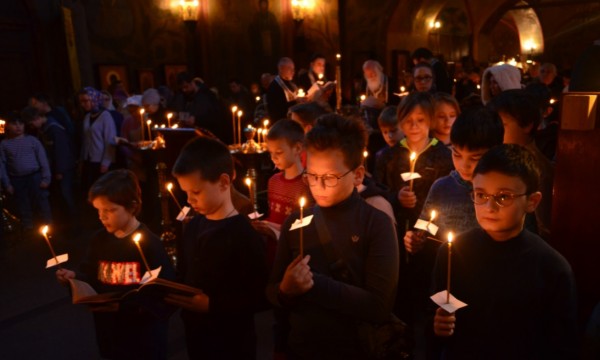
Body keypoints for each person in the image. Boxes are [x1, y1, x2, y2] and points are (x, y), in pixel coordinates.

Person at [266, 114, 399, 359]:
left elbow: (379, 306)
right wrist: (285, 290)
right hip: (302, 349)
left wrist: (312, 284)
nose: (318, 187)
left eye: (329, 178)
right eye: (312, 176)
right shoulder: (295, 223)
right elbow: (273, 291)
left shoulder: (376, 223)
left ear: (358, 175)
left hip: (356, 350)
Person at [431, 144, 578, 359]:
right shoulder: (453, 253)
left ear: (532, 201)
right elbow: (433, 317)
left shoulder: (551, 268)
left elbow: (561, 346)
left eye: (503, 197)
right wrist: (437, 326)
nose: (489, 207)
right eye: (480, 195)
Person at [55, 169, 175, 360]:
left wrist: (125, 307)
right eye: (99, 210)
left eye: (109, 210)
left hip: (143, 337)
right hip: (110, 333)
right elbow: (91, 278)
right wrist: (73, 280)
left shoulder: (150, 244)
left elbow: (164, 295)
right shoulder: (98, 241)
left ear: (132, 206)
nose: (102, 217)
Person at [168, 137, 269, 359]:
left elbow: (260, 296)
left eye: (196, 192)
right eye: (186, 193)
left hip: (232, 342)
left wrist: (213, 305)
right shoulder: (193, 226)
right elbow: (185, 274)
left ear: (224, 182)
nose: (190, 200)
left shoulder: (243, 234)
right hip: (197, 337)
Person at [405, 106, 504, 255]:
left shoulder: (505, 191)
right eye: (457, 154)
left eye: (475, 158)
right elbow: (427, 225)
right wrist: (416, 238)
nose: (464, 165)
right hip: (449, 271)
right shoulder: (442, 187)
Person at [488, 89, 553, 238]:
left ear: (527, 125)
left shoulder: (533, 168)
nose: (495, 131)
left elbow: (543, 226)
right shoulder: (506, 158)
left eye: (502, 125)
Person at [21, 106, 77, 228]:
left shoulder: (54, 128)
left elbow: (61, 151)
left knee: (66, 196)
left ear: (37, 118)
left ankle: (73, 225)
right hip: (55, 168)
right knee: (61, 197)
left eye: (31, 123)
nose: (32, 127)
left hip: (63, 169)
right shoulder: (44, 129)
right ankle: (65, 222)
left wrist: (60, 170)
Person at [0, 116, 52, 231]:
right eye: (14, 124)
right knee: (23, 203)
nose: (18, 127)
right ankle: (28, 227)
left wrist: (46, 178)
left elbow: (43, 159)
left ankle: (47, 225)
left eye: (20, 124)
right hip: (17, 178)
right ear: (8, 126)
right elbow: (2, 165)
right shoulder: (4, 144)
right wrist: (7, 184)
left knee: (41, 201)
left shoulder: (32, 140)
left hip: (34, 175)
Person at [264, 119, 311, 226]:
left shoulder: (307, 184)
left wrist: (278, 229)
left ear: (297, 148)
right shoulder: (273, 181)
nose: (273, 158)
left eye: (279, 152)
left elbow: (305, 225)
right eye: (270, 152)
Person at [78, 87, 117, 192]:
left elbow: (110, 140)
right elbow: (85, 140)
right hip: (88, 160)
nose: (83, 104)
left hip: (100, 161)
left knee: (101, 190)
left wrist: (106, 162)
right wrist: (82, 159)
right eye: (81, 101)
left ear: (94, 99)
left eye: (86, 101)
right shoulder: (87, 117)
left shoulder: (105, 116)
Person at [267, 57, 299, 122]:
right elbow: (277, 109)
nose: (293, 71)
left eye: (293, 69)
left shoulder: (292, 84)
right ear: (281, 69)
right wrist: (296, 102)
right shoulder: (274, 87)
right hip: (282, 123)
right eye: (289, 68)